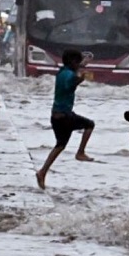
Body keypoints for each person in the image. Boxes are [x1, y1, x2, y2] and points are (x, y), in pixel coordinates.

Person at [35, 49, 95, 189]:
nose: (79, 64)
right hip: (64, 116)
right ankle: (80, 152)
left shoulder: (62, 72)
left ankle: (42, 172)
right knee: (89, 125)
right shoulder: (69, 75)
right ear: (73, 62)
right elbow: (71, 83)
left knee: (60, 145)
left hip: (56, 116)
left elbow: (73, 75)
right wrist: (81, 78)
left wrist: (82, 68)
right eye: (78, 62)